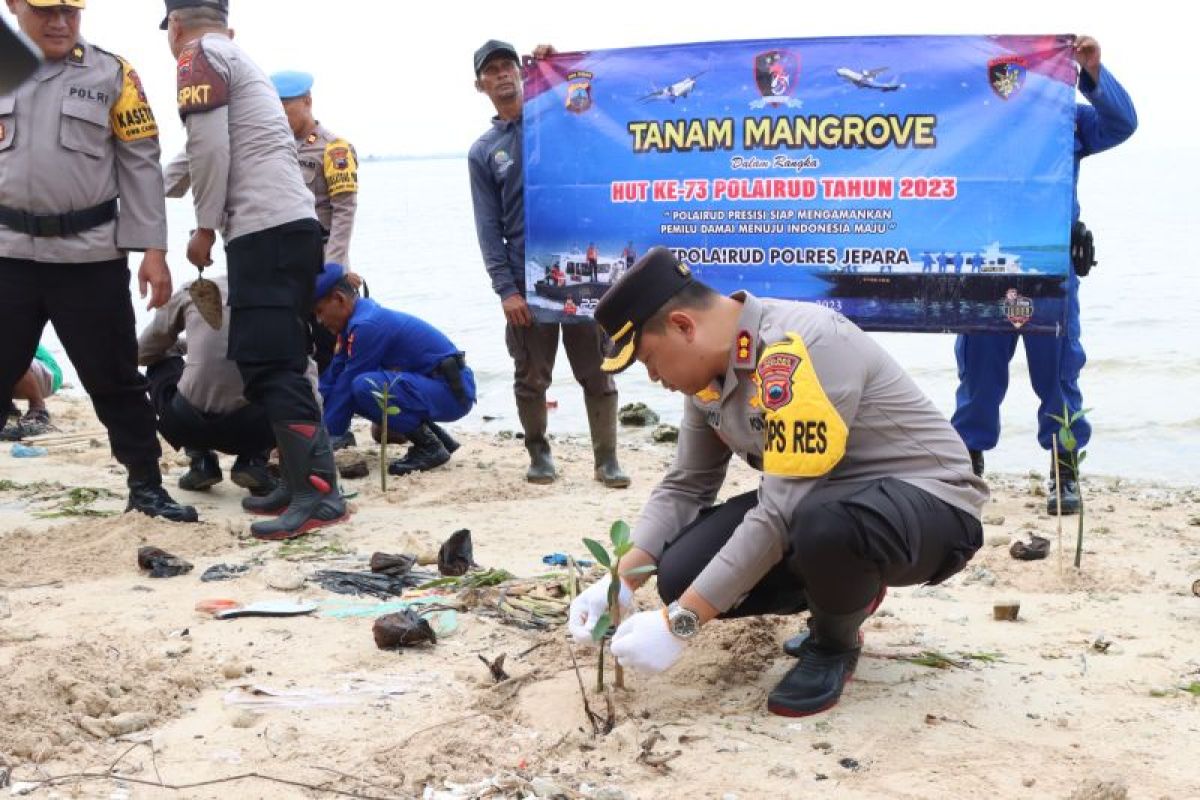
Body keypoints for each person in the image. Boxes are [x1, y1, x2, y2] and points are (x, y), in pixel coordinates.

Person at [568, 247, 988, 717]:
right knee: (679, 572)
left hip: (931, 505)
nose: (655, 378)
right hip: (823, 502)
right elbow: (686, 485)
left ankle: (833, 642)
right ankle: (848, 591)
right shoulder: (709, 376)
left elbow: (780, 511)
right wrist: (621, 582)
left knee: (823, 526)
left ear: (684, 327)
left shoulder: (802, 346)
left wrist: (680, 624)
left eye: (649, 360)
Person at [0, 0, 196, 523]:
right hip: (8, 253)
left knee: (114, 376)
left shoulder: (114, 73)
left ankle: (146, 486)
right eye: (46, 11)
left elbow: (140, 162)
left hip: (89, 255)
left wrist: (153, 250)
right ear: (14, 6)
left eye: (70, 10)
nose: (61, 22)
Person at [162, 0, 346, 539]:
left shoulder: (197, 58)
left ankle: (319, 497)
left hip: (263, 232)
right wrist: (132, 190)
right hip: (289, 230)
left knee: (272, 366)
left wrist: (203, 227)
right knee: (274, 358)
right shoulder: (240, 62)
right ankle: (297, 481)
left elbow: (208, 150)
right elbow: (197, 157)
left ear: (175, 27)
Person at [952, 36, 1136, 513]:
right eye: (1000, 77)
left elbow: (1122, 124)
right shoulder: (972, 127)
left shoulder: (1065, 120)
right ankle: (968, 465)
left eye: (1017, 75)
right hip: (985, 268)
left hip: (1049, 269)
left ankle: (1064, 471)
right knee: (978, 376)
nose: (1009, 85)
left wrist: (1093, 69)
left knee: (1058, 376)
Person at [468, 39, 628, 488]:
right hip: (525, 282)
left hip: (583, 275)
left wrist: (560, 65)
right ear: (479, 84)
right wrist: (506, 290)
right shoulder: (483, 152)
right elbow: (488, 228)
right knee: (531, 376)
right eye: (491, 70)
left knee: (598, 371)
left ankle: (607, 459)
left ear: (521, 72)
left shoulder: (559, 122)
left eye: (508, 66)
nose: (502, 75)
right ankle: (539, 454)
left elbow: (594, 102)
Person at [138, 273, 292, 496]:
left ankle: (200, 460)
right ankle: (254, 460)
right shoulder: (279, 297)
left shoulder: (192, 289)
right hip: (253, 429)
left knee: (159, 362)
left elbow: (143, 352)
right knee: (282, 375)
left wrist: (185, 345)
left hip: (187, 424)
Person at [313, 264, 473, 475]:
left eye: (320, 311)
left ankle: (430, 448)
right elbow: (333, 377)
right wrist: (309, 422)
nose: (319, 320)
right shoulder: (355, 322)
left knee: (362, 386)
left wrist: (319, 443)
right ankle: (440, 439)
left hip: (451, 392)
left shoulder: (367, 325)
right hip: (434, 386)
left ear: (339, 299)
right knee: (358, 386)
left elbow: (345, 390)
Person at [270, 69, 359, 375]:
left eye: (286, 107)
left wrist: (335, 270)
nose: (280, 115)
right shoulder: (271, 148)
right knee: (289, 343)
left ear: (307, 101)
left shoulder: (333, 149)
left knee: (331, 347)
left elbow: (344, 212)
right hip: (284, 262)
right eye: (274, 107)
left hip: (322, 258)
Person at [1, 344, 61, 441]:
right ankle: (6, 406)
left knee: (7, 354)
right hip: (18, 376)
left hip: (47, 373)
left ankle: (38, 407)